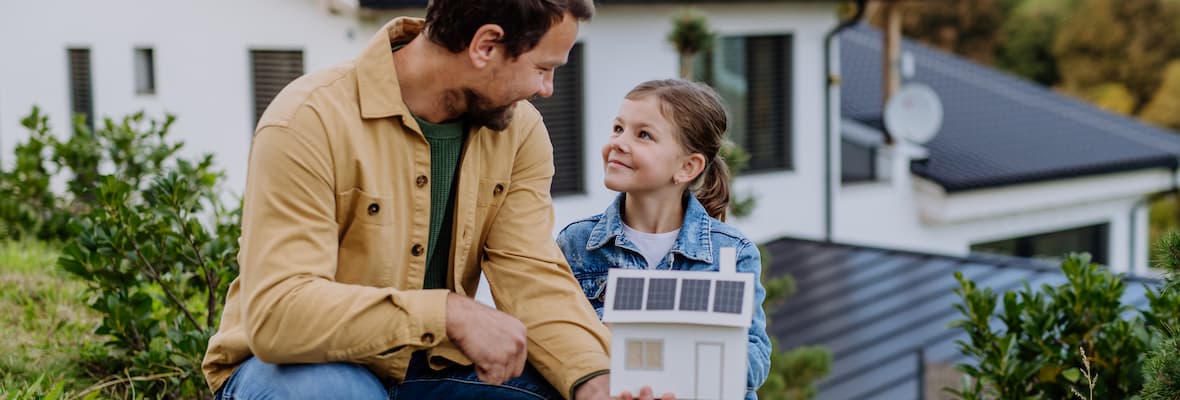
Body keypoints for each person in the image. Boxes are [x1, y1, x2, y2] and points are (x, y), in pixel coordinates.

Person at [201, 1, 621, 399]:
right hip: (294, 368)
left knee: (557, 389)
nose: (546, 89)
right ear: (485, 46)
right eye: (542, 68)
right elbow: (279, 315)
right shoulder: (307, 119)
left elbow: (531, 274)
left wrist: (594, 376)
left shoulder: (520, 132)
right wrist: (447, 313)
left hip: (429, 369)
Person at [556, 79, 773, 400]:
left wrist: (679, 355)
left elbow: (755, 359)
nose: (619, 142)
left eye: (643, 135)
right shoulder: (577, 243)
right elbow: (558, 338)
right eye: (618, 128)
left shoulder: (731, 252)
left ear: (687, 167)